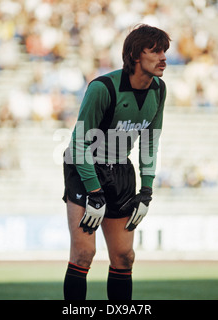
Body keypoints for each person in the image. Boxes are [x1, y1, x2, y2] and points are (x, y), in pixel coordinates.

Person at [62, 24, 170, 300]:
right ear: (135, 55)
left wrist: (146, 190)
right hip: (85, 166)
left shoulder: (159, 89)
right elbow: (78, 143)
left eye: (164, 51)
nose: (163, 57)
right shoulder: (102, 87)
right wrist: (94, 192)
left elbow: (149, 141)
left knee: (124, 256)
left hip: (121, 168)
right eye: (155, 51)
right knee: (84, 254)